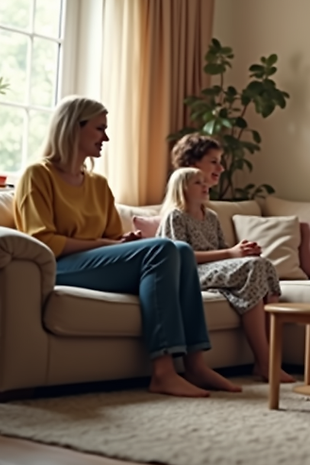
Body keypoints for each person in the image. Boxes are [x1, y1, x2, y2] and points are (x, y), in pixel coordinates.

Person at [13, 96, 241, 398]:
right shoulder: (37, 175)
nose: (105, 137)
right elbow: (43, 241)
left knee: (181, 251)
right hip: (60, 268)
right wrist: (108, 244)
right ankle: (162, 373)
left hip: (95, 264)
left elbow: (110, 236)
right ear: (73, 128)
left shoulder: (97, 184)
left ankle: (196, 364)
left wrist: (122, 243)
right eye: (99, 129)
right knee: (162, 248)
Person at [157, 163, 295, 384]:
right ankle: (265, 362)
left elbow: (222, 249)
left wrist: (243, 253)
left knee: (263, 264)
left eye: (205, 182)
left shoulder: (210, 216)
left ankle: (269, 360)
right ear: (182, 189)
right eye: (198, 183)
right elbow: (180, 256)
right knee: (254, 267)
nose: (205, 186)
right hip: (190, 273)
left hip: (214, 268)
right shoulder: (176, 217)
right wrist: (232, 253)